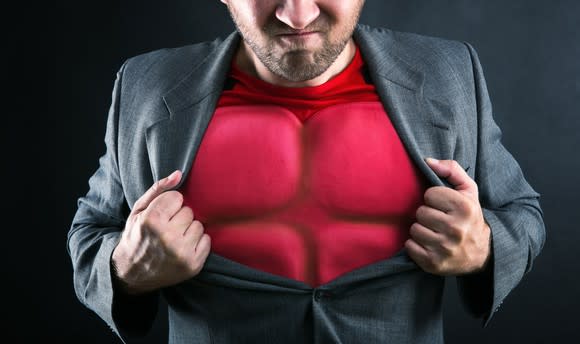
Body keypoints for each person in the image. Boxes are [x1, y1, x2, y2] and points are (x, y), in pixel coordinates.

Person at [67, 1, 545, 343]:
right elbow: (90, 232)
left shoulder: (449, 71)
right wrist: (123, 268)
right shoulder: (148, 85)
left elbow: (522, 214)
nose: (296, 15)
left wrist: (483, 247)